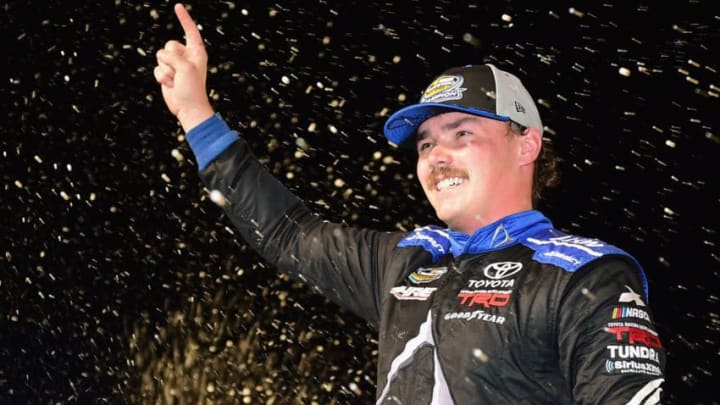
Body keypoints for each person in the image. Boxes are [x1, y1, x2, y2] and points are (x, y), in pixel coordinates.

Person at [154, 3, 666, 404]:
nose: (436, 156)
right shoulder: (408, 260)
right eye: (425, 144)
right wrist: (198, 114)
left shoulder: (584, 276)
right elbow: (287, 233)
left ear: (526, 144)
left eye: (462, 133)